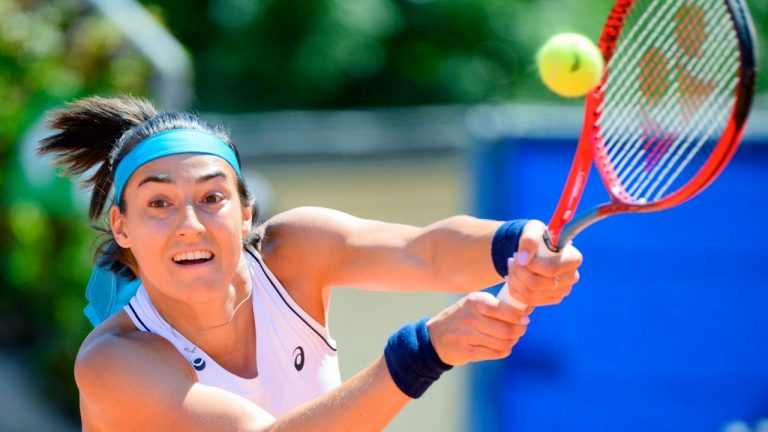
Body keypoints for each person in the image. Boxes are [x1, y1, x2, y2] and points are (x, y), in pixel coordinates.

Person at [39, 95, 583, 431]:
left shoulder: (295, 251)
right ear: (122, 227)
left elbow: (425, 251)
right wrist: (424, 350)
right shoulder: (112, 361)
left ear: (245, 213)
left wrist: (519, 245)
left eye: (211, 198)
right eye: (159, 203)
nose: (189, 224)